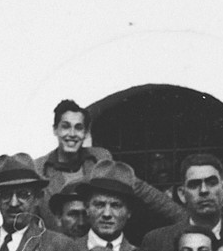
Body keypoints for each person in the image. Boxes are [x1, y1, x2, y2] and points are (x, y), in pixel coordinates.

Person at [33, 98, 183, 231]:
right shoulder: (39, 169)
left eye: (78, 128)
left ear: (85, 133)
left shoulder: (100, 159)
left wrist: (185, 219)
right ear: (55, 130)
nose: (72, 134)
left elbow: (142, 190)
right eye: (65, 126)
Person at [39, 160, 146, 251]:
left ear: (128, 212)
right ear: (88, 208)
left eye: (116, 205)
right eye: (99, 204)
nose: (107, 214)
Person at [140, 154, 223, 251]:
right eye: (194, 184)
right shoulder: (158, 242)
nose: (203, 190)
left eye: (211, 183)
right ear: (182, 194)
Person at [0, 153, 55, 251]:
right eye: (5, 194)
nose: (13, 203)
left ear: (38, 198)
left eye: (23, 194)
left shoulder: (56, 246)